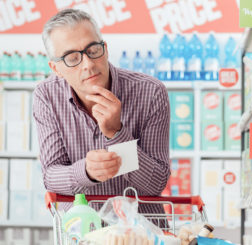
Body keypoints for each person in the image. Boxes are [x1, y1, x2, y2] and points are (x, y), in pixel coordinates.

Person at [33, 8, 170, 221]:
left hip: (141, 233)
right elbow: (51, 176)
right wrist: (86, 172)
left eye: (93, 50)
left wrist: (117, 135)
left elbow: (156, 184)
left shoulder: (150, 92)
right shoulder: (46, 96)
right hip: (82, 231)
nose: (88, 64)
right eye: (72, 57)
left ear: (105, 49)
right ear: (56, 68)